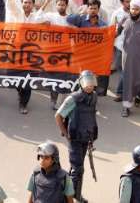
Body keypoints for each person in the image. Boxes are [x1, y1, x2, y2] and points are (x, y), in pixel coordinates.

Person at [55, 70, 99, 202]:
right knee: (78, 169)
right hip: (74, 138)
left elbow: (91, 116)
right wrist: (66, 134)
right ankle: (72, 197)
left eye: (92, 83)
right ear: (81, 83)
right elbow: (58, 116)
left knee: (76, 169)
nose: (90, 86)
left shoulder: (94, 96)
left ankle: (71, 193)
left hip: (86, 137)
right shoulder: (72, 99)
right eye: (87, 83)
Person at [118, 0, 140, 117]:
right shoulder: (125, 19)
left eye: (137, 9)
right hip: (126, 56)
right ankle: (126, 106)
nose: (134, 11)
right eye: (132, 8)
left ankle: (139, 95)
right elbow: (115, 32)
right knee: (128, 79)